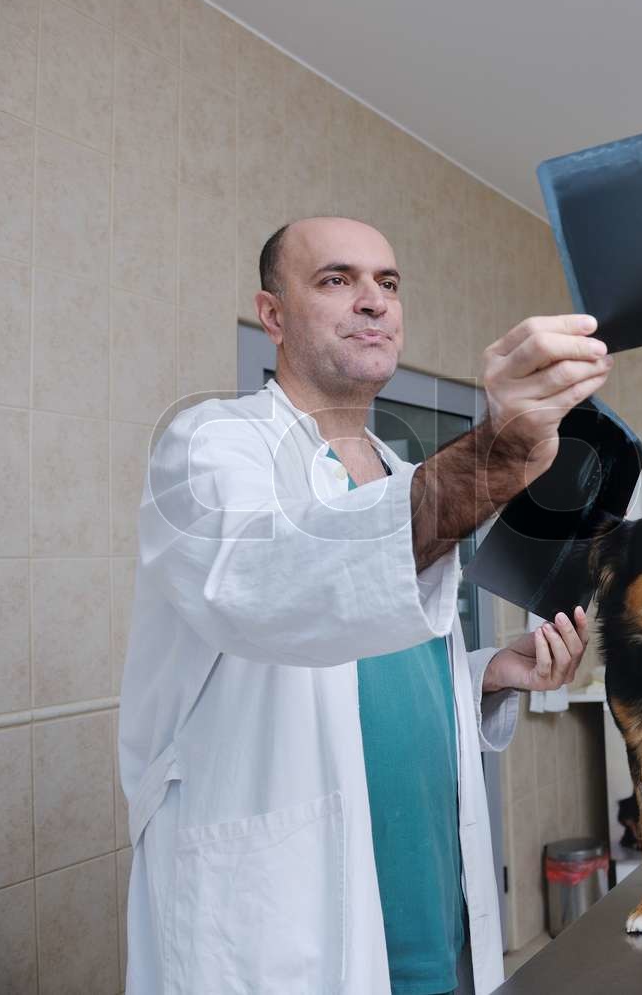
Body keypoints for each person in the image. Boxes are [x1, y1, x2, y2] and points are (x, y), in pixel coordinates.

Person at [119, 217, 613, 994]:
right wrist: (501, 450)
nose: (373, 300)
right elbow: (275, 586)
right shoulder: (210, 447)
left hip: (433, 912)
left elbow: (376, 673)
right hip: (293, 929)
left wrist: (487, 673)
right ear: (273, 315)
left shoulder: (399, 473)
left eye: (388, 282)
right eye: (336, 279)